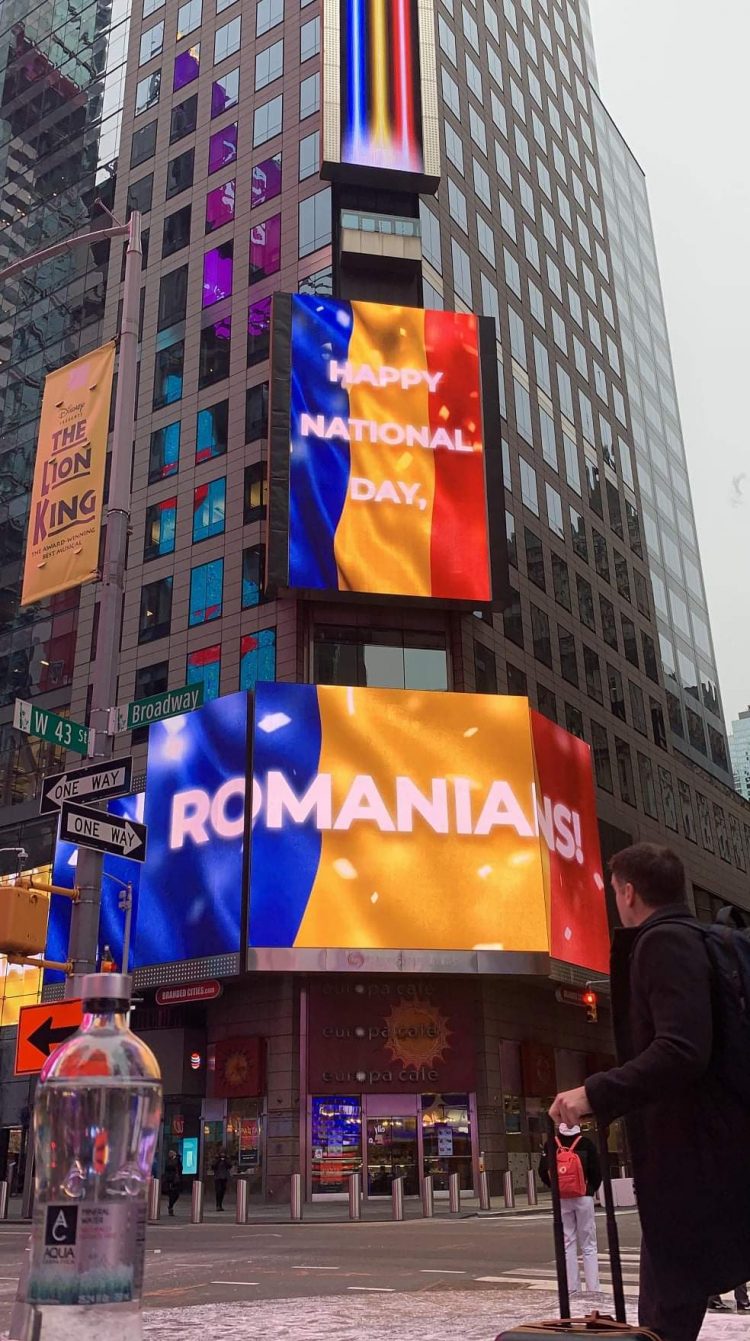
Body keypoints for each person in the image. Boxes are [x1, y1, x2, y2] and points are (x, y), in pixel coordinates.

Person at [550, 843, 750, 1341]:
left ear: (629, 892)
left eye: (615, 890)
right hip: (711, 1151)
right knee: (666, 1307)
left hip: (691, 1159)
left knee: (666, 1315)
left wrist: (593, 1093)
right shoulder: (697, 939)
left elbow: (682, 1050)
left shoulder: (663, 943)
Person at [539, 1122, 602, 1298]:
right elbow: (597, 1172)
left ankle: (572, 1289)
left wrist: (556, 1188)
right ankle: (593, 1289)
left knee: (568, 1243)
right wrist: (589, 1190)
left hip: (562, 1198)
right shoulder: (586, 1143)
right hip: (584, 1197)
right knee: (589, 1245)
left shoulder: (551, 1144)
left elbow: (543, 1171)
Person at [164, 1148, 183, 1216]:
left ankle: (170, 1206)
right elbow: (169, 1167)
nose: (170, 1154)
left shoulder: (177, 1160)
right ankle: (170, 1207)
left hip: (176, 1179)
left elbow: (180, 1168)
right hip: (170, 1179)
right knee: (171, 1194)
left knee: (176, 1194)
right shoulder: (169, 1161)